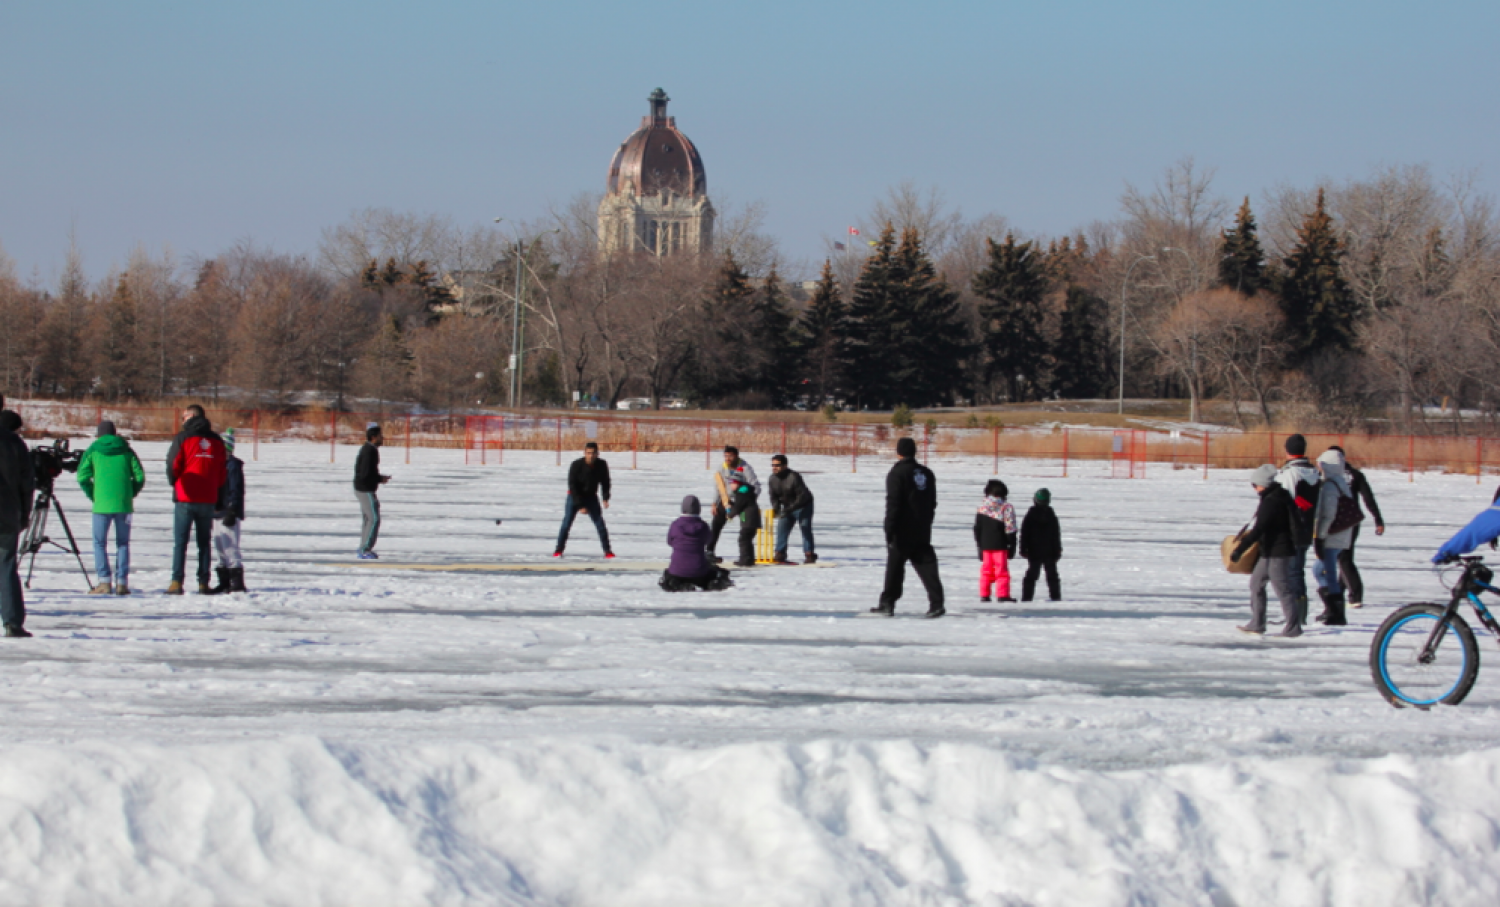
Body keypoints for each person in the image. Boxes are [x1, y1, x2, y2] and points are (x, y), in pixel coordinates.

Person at [872, 437, 944, 618]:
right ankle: (937, 603)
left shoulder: (897, 473)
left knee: (895, 567)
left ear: (899, 452)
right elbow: (932, 502)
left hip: (902, 528)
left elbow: (894, 503)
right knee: (927, 566)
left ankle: (887, 603)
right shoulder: (927, 473)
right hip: (922, 527)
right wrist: (927, 520)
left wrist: (889, 528)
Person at [1230, 465, 1303, 637]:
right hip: (1268, 551)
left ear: (1263, 483)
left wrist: (1239, 550)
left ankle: (1293, 627)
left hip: (1279, 551)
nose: (1254, 488)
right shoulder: (1275, 496)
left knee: (1282, 588)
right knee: (1256, 583)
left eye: (1255, 485)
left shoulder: (1272, 501)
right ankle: (1257, 623)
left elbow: (1258, 530)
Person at [76, 420, 145, 596]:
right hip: (124, 504)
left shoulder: (93, 450)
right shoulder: (127, 450)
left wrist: (93, 495)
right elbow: (139, 476)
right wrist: (130, 493)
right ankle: (122, 583)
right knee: (123, 543)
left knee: (99, 543)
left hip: (101, 504)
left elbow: (82, 476)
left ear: (99, 434)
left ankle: (104, 582)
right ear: (115, 433)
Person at [165, 404, 227, 594]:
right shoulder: (217, 440)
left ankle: (176, 582)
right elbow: (222, 471)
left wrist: (175, 483)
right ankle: (203, 582)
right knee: (204, 543)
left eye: (184, 416)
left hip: (186, 496)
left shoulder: (182, 438)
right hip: (208, 497)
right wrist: (219, 497)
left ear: (191, 416)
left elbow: (172, 464)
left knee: (180, 542)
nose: (182, 420)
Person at [1326, 445, 1385, 608]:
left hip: (1337, 522)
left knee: (1343, 559)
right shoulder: (1356, 475)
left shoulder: (1328, 476)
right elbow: (1368, 498)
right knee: (1345, 557)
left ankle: (1356, 595)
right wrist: (1378, 519)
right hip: (1353, 521)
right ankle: (1339, 591)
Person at [1275, 434, 1321, 622]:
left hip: (1290, 529)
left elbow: (1283, 502)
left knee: (1289, 572)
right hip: (1307, 527)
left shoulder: (1290, 474)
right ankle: (1297, 614)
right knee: (1296, 571)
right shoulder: (1314, 473)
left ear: (1287, 450)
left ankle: (1295, 616)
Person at [0, 393, 34, 637]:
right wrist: (24, 514)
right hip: (7, 513)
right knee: (6, 567)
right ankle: (12, 621)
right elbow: (26, 483)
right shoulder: (14, 442)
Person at [1311, 448, 1356, 626]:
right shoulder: (1341, 482)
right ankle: (1332, 609)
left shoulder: (1330, 486)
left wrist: (1320, 537)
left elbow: (1328, 515)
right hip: (1340, 535)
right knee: (1322, 571)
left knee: (1326, 572)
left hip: (1332, 536)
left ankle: (1336, 612)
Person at [659, 495, 732, 592]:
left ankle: (678, 584)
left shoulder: (675, 525)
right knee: (715, 572)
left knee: (668, 575)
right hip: (699, 571)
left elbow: (670, 542)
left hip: (676, 571)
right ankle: (711, 584)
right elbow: (708, 541)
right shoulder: (703, 525)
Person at [554, 441, 613, 559]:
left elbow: (605, 482)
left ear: (597, 454)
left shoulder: (601, 464)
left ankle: (607, 551)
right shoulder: (576, 465)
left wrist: (605, 497)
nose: (590, 456)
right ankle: (558, 550)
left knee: (600, 524)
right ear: (584, 453)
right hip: (574, 497)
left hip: (591, 497)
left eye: (593, 453)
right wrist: (580, 505)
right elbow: (572, 486)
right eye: (588, 453)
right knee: (566, 524)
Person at [210, 429, 246, 594]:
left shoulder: (232, 466)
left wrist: (233, 509)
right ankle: (224, 580)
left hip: (228, 511)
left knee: (230, 546)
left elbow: (236, 490)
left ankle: (236, 581)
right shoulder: (218, 465)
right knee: (219, 547)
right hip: (217, 511)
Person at [708, 446, 759, 563]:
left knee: (746, 530)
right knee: (716, 524)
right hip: (727, 500)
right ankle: (709, 551)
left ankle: (746, 556)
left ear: (736, 456)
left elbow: (756, 486)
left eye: (730, 456)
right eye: (725, 456)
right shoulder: (722, 467)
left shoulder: (745, 467)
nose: (727, 458)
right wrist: (714, 503)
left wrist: (750, 500)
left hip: (742, 500)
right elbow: (719, 486)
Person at [768, 454, 816, 564]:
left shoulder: (794, 477)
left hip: (803, 505)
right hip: (787, 506)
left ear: (785, 466)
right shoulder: (772, 478)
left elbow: (802, 496)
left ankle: (809, 553)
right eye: (773, 465)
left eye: (777, 465)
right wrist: (776, 509)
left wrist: (790, 508)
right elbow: (773, 496)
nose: (774, 467)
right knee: (782, 528)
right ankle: (780, 552)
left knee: (805, 528)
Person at [974, 479, 1016, 603]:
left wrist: (980, 545)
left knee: (986, 570)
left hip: (986, 545)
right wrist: (1012, 544)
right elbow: (1010, 527)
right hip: (1000, 545)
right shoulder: (1006, 507)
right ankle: (1002, 595)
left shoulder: (982, 507)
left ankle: (984, 594)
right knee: (1001, 571)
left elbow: (977, 528)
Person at [1019, 488, 1063, 602]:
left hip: (1034, 550)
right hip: (1049, 550)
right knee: (1052, 575)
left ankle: (1026, 597)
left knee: (1032, 575)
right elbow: (1056, 534)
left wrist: (1023, 548)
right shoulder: (1051, 515)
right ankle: (1056, 596)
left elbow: (1024, 533)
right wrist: (1058, 549)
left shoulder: (1030, 515)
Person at [354, 423, 390, 560]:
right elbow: (365, 474)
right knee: (374, 519)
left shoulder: (369, 449)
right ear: (374, 437)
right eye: (381, 436)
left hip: (363, 488)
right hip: (365, 489)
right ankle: (364, 549)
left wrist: (379, 478)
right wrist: (379, 479)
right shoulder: (369, 451)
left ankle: (363, 547)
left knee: (368, 519)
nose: (383, 438)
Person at [724, 470, 763, 568]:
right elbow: (740, 505)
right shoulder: (745, 491)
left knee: (743, 539)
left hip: (749, 520)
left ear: (738, 483)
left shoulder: (742, 493)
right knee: (747, 540)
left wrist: (730, 514)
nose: (731, 485)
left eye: (732, 483)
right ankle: (749, 559)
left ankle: (744, 559)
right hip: (751, 520)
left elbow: (738, 507)